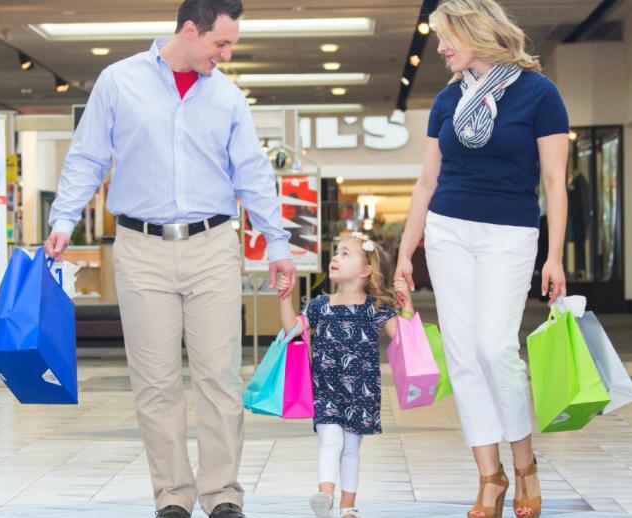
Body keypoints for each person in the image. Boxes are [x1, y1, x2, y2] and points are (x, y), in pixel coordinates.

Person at [43, 2, 297, 517]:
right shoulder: (118, 82)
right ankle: (173, 497)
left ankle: (223, 493)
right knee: (155, 382)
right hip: (140, 249)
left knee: (219, 377)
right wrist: (63, 219)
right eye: (219, 44)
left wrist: (276, 241)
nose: (225, 55)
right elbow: (88, 154)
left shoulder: (227, 96)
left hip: (212, 245)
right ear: (189, 30)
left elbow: (251, 171)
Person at [392, 1, 569, 518]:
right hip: (448, 231)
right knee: (464, 356)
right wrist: (406, 250)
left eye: (448, 37)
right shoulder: (448, 100)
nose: (440, 47)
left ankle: (525, 464)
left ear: (478, 33)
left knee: (495, 349)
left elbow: (554, 182)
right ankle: (489, 477)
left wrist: (554, 254)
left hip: (509, 234)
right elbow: (427, 181)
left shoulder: (539, 94)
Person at [276, 233, 397, 518]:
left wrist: (406, 305)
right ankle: (326, 496)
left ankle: (348, 506)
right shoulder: (320, 305)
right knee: (331, 440)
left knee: (351, 447)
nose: (335, 258)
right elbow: (293, 328)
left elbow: (401, 338)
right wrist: (284, 298)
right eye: (336, 253)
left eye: (345, 254)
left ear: (366, 270)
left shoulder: (376, 307)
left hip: (361, 390)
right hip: (326, 388)